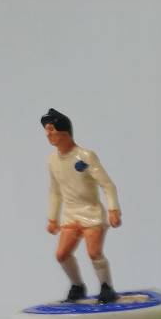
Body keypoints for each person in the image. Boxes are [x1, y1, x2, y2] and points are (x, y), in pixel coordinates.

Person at [41, 108, 122, 304]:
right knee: (62, 254)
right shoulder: (52, 160)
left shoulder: (85, 156)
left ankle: (106, 287)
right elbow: (55, 191)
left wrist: (113, 209)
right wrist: (52, 218)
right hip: (71, 214)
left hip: (91, 213)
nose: (48, 135)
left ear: (65, 132)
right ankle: (77, 285)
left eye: (52, 130)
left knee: (94, 252)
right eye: (46, 131)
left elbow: (107, 185)